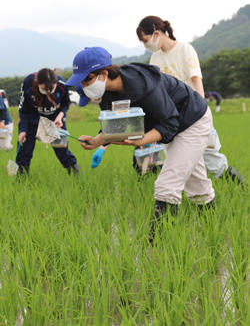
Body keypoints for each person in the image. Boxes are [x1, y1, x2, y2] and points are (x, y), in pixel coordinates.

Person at [66, 47, 216, 241]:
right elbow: (115, 125)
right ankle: (212, 231)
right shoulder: (108, 95)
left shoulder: (143, 85)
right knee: (197, 186)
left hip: (193, 121)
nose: (85, 86)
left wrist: (142, 140)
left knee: (167, 186)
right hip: (175, 125)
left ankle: (158, 248)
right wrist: (97, 141)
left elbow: (170, 123)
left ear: (104, 73)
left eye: (87, 79)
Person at [136, 15, 247, 186]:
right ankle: (193, 200)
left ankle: (242, 187)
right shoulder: (155, 59)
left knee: (212, 162)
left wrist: (203, 114)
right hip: (172, 118)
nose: (145, 45)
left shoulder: (184, 50)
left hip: (193, 113)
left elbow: (197, 82)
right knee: (179, 163)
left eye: (145, 40)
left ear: (156, 34)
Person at [16, 68, 80, 175]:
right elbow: (23, 110)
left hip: (55, 119)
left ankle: (75, 174)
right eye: (44, 89)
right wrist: (23, 130)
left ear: (56, 83)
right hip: (33, 118)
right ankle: (21, 179)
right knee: (24, 149)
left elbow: (65, 104)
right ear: (38, 83)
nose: (48, 93)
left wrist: (60, 116)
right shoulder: (28, 83)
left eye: (51, 89)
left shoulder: (62, 85)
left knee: (61, 148)